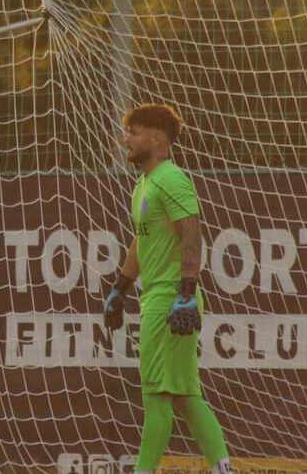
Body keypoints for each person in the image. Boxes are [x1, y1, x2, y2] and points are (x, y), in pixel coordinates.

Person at [103, 103, 235, 474]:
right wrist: (121, 287)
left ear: (157, 138)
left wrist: (185, 293)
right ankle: (223, 468)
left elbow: (191, 234)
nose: (126, 140)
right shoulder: (144, 183)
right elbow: (141, 240)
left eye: (134, 133)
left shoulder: (171, 179)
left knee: (156, 397)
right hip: (160, 298)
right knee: (186, 396)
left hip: (169, 300)